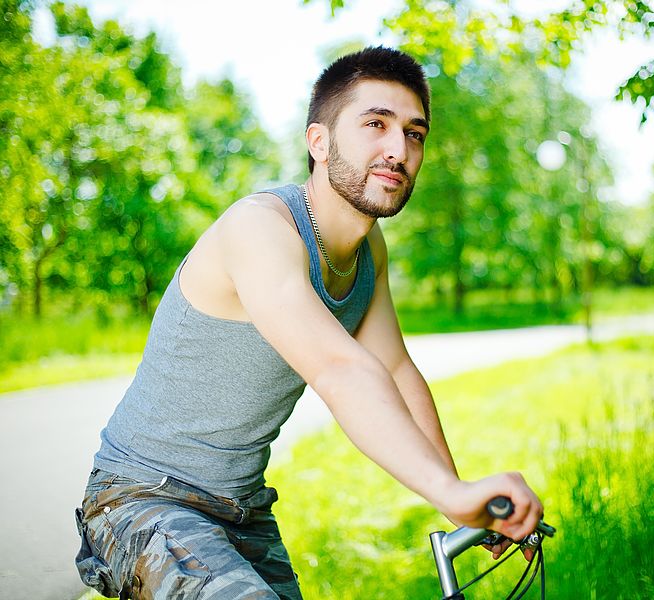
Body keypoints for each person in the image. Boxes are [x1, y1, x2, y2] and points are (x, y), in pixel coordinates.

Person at [74, 46, 543, 599]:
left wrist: (458, 497)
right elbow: (340, 368)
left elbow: (393, 369)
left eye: (414, 133)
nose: (398, 149)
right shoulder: (261, 228)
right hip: (142, 498)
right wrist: (448, 488)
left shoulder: (370, 249)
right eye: (376, 124)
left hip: (243, 510)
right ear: (318, 142)